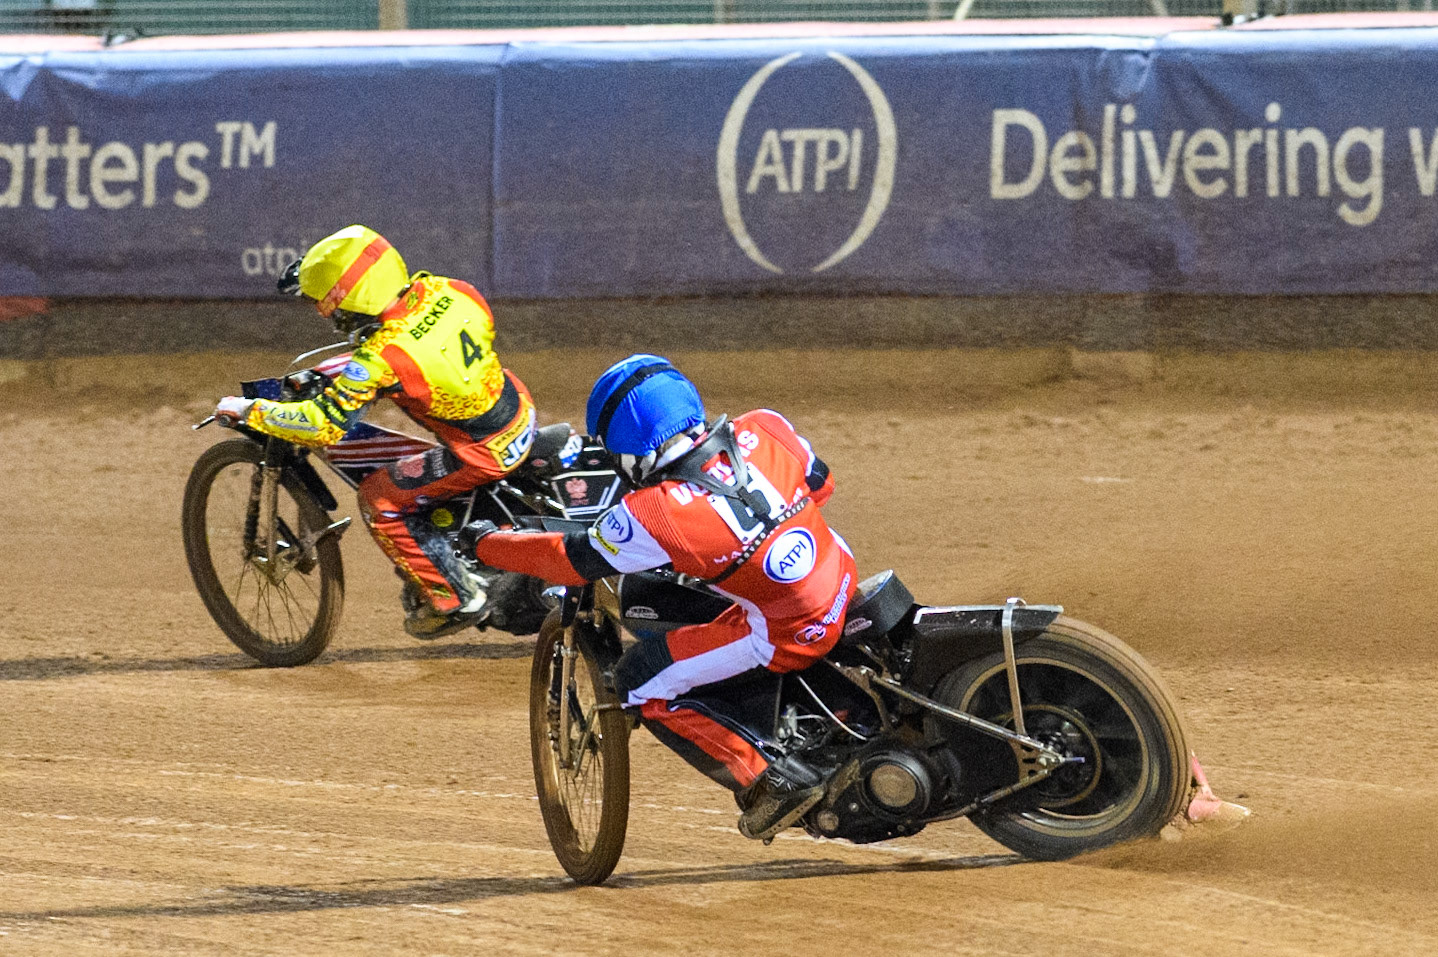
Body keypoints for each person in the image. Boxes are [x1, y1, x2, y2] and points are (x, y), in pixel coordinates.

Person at [458, 354, 857, 841]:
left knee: (639, 681)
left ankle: (768, 780)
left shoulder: (653, 512)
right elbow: (821, 486)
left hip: (788, 631)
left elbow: (569, 559)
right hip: (840, 575)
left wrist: (486, 543)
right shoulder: (766, 425)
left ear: (627, 451)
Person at [213, 224, 537, 639]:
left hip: (483, 451)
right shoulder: (449, 290)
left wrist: (249, 409)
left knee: (379, 498)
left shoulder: (380, 359)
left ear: (351, 303)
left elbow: (323, 425)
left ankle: (454, 597)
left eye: (329, 308)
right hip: (517, 408)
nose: (328, 316)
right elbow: (409, 344)